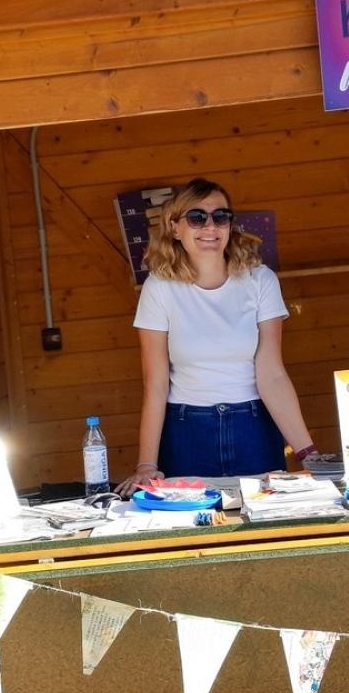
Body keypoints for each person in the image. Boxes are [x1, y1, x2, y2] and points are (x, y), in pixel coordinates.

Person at [118, 178, 316, 493]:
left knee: (261, 528)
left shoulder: (260, 280)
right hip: (187, 430)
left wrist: (307, 452)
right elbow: (155, 382)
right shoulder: (159, 288)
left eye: (220, 217)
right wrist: (146, 464)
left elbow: (272, 374)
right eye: (197, 217)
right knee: (190, 526)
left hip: (253, 425)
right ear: (175, 228)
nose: (210, 226)